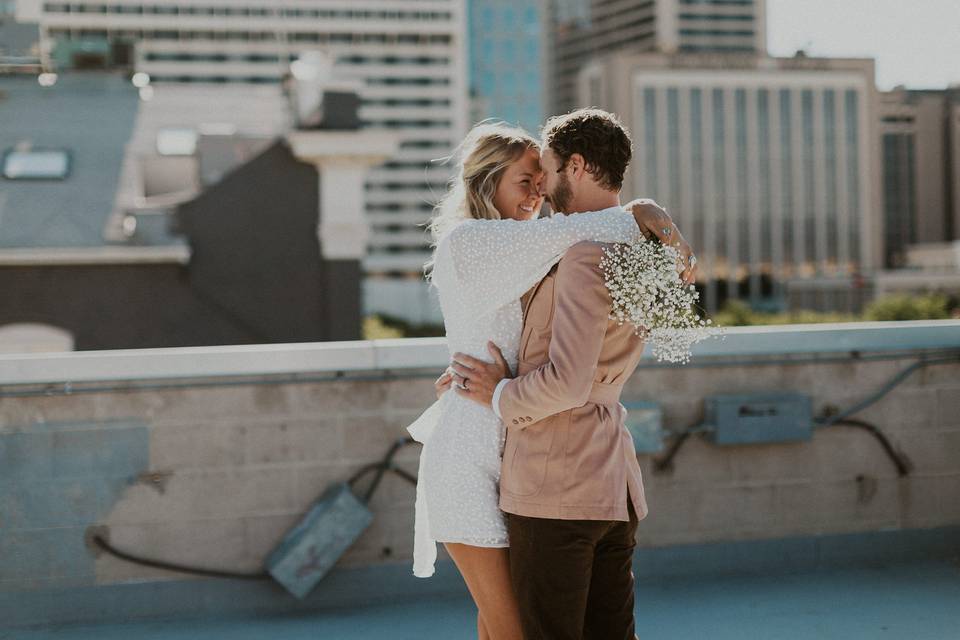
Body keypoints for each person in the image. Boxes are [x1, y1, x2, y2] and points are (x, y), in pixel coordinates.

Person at [409, 119, 696, 640]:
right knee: (512, 626)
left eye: (541, 182)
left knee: (499, 626)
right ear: (485, 182)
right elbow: (599, 230)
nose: (537, 194)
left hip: (520, 448)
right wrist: (648, 214)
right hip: (474, 453)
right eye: (526, 180)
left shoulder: (532, 251)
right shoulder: (471, 241)